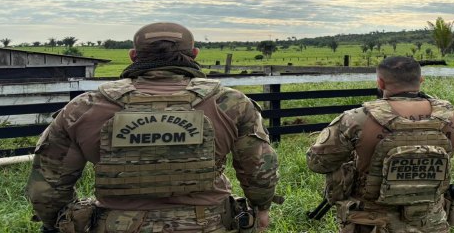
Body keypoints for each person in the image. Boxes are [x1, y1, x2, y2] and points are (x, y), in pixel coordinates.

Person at [25, 22, 279, 233]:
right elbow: (259, 169)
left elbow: (47, 186)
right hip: (210, 224)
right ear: (194, 54)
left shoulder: (84, 107)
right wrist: (262, 208)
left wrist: (55, 222)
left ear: (133, 56)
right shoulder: (231, 103)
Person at [306, 56, 454, 232]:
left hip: (370, 223)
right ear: (421, 80)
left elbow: (318, 163)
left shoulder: (355, 119)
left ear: (380, 83)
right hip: (430, 222)